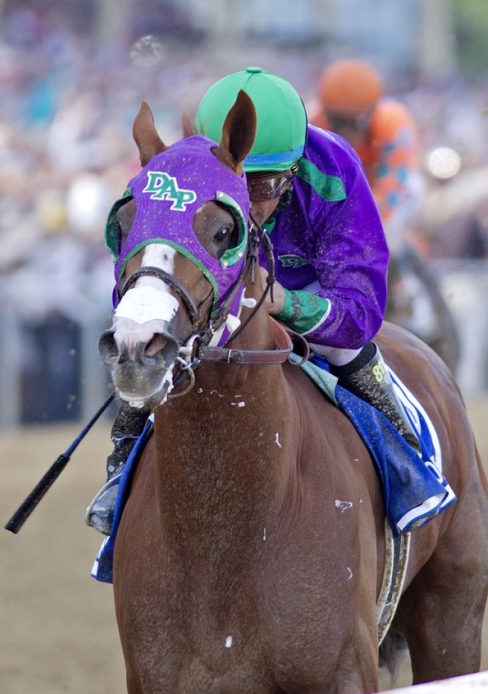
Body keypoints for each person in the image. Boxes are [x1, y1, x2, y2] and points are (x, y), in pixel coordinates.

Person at [86, 66, 419, 536]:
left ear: (293, 170)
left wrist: (282, 301)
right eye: (237, 181)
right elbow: (144, 267)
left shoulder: (334, 168)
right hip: (219, 296)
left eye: (260, 187)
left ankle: (406, 459)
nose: (247, 199)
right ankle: (120, 472)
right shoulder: (180, 170)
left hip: (309, 287)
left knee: (346, 348)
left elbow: (359, 312)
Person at [310, 59, 424, 252]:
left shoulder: (393, 121)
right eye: (338, 121)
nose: (346, 132)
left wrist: (358, 225)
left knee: (412, 185)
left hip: (378, 191)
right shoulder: (312, 121)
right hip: (338, 198)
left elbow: (394, 186)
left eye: (356, 123)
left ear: (372, 111)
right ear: (325, 111)